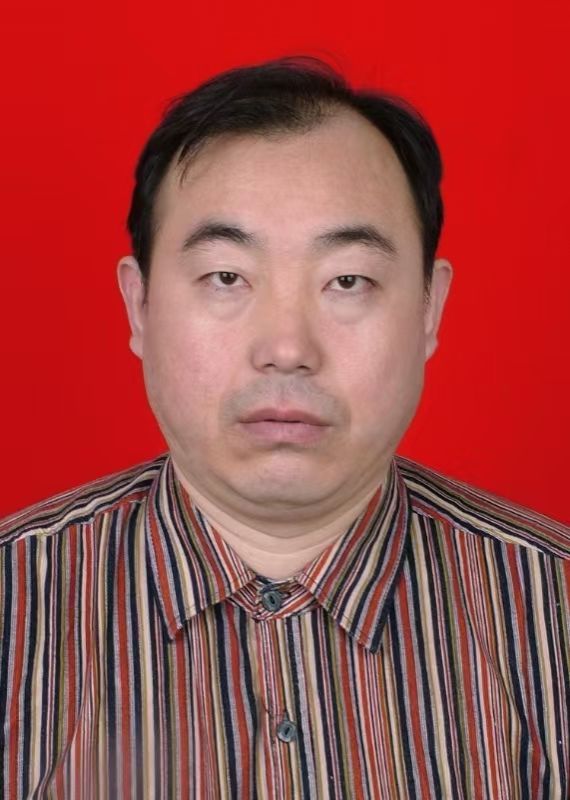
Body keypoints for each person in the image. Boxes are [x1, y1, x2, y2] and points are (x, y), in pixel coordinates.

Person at [0, 55, 568, 800]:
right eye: (227, 277)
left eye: (347, 281)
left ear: (429, 309)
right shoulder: (15, 607)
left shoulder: (552, 606)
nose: (287, 348)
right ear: (139, 306)